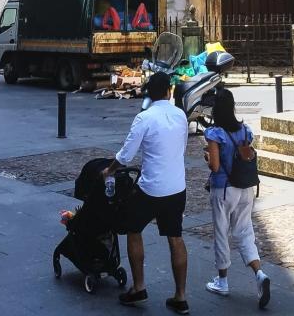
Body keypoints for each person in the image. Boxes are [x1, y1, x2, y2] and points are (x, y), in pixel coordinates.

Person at [104, 72, 189, 314]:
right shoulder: (180, 115)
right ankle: (181, 296)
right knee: (176, 237)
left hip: (151, 187)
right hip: (176, 187)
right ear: (169, 91)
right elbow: (180, 147)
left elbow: (125, 155)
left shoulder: (144, 118)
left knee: (133, 229)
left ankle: (139, 286)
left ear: (149, 94)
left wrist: (108, 171)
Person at [203, 89, 270, 309]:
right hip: (245, 188)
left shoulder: (214, 133)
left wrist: (207, 156)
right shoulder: (245, 130)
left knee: (221, 233)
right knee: (245, 231)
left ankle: (222, 281)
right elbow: (247, 154)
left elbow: (214, 166)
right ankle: (259, 273)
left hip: (223, 189)